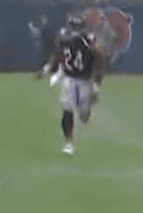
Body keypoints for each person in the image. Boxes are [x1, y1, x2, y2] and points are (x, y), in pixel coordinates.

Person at [49, 12, 107, 155]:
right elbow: (60, 54)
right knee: (67, 111)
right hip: (69, 78)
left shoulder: (88, 40)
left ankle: (86, 110)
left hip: (84, 80)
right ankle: (69, 143)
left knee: (83, 114)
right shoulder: (66, 38)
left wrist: (96, 83)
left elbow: (100, 56)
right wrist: (57, 71)